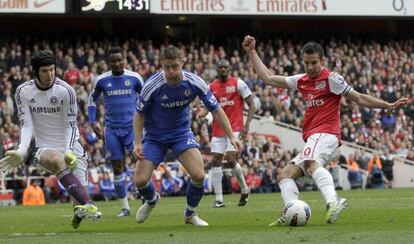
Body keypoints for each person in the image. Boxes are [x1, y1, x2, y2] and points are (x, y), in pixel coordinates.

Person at [242, 35, 409, 225]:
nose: (310, 67)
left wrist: (388, 105)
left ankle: (334, 201)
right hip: (314, 137)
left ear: (322, 61)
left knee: (312, 163)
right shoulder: (301, 80)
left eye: (314, 62)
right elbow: (269, 78)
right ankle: (292, 211)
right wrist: (252, 52)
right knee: (285, 175)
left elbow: (359, 98)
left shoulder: (332, 78)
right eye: (307, 63)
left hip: (326, 133)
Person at [133, 46, 242, 226]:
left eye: (175, 66)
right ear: (161, 65)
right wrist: (138, 142)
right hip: (154, 136)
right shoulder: (152, 85)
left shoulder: (195, 82)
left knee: (199, 175)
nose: (171, 71)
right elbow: (138, 114)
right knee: (140, 180)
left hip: (181, 134)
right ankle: (152, 200)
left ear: (182, 63)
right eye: (167, 67)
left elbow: (216, 110)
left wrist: (231, 136)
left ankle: (190, 214)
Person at [0, 50, 102, 229]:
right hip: (44, 147)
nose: (50, 74)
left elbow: (70, 125)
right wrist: (22, 150)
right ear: (36, 72)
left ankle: (79, 210)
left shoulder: (66, 91)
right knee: (57, 160)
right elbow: (26, 125)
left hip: (71, 145)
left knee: (76, 197)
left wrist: (69, 150)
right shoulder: (23, 91)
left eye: (52, 69)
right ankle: (89, 204)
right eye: (45, 71)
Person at [88, 46, 144, 217]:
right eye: (114, 60)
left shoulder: (135, 78)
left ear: (124, 59)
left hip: (132, 128)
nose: (118, 63)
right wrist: (92, 121)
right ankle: (125, 207)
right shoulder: (102, 80)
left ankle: (145, 196)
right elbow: (91, 99)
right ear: (108, 62)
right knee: (117, 167)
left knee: (142, 161)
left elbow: (146, 99)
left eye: (120, 59)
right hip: (111, 129)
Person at [200, 59, 255, 207]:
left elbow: (251, 104)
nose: (223, 70)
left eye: (225, 67)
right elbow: (206, 107)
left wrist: (247, 125)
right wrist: (201, 113)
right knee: (216, 160)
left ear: (229, 69)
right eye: (220, 68)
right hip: (218, 130)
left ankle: (244, 189)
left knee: (231, 159)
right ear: (217, 70)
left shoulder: (238, 83)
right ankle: (219, 200)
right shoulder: (211, 87)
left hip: (236, 128)